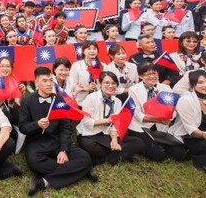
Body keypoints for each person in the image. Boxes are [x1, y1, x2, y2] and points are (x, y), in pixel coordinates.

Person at [19, 67, 94, 196]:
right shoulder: (27, 101)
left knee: (85, 158)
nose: (49, 84)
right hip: (37, 143)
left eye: (50, 80)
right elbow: (23, 127)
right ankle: (80, 170)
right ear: (36, 82)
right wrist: (36, 124)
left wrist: (63, 150)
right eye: (44, 81)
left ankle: (43, 181)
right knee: (33, 162)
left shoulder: (58, 100)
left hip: (57, 140)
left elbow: (65, 127)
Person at [77, 71, 145, 165]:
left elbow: (115, 126)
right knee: (92, 148)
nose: (111, 86)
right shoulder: (91, 98)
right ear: (100, 84)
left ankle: (110, 157)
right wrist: (108, 120)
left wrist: (114, 139)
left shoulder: (117, 101)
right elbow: (87, 123)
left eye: (113, 83)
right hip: (89, 134)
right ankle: (118, 156)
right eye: (107, 83)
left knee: (138, 142)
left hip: (107, 134)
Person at [169, 70, 206, 179]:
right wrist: (203, 134)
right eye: (200, 83)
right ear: (193, 85)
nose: (205, 85)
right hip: (189, 137)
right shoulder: (186, 100)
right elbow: (189, 127)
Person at [127, 63, 187, 162]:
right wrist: (158, 119)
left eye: (154, 73)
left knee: (179, 154)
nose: (152, 76)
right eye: (147, 74)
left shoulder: (165, 88)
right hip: (141, 126)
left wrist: (169, 118)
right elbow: (138, 115)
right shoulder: (133, 90)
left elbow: (173, 109)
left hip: (161, 126)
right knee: (158, 155)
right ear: (141, 76)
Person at [68, 41, 106, 106]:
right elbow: (72, 84)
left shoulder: (103, 65)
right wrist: (86, 88)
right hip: (81, 102)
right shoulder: (76, 65)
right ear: (83, 51)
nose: (92, 51)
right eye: (89, 49)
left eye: (94, 49)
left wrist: (97, 87)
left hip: (99, 101)